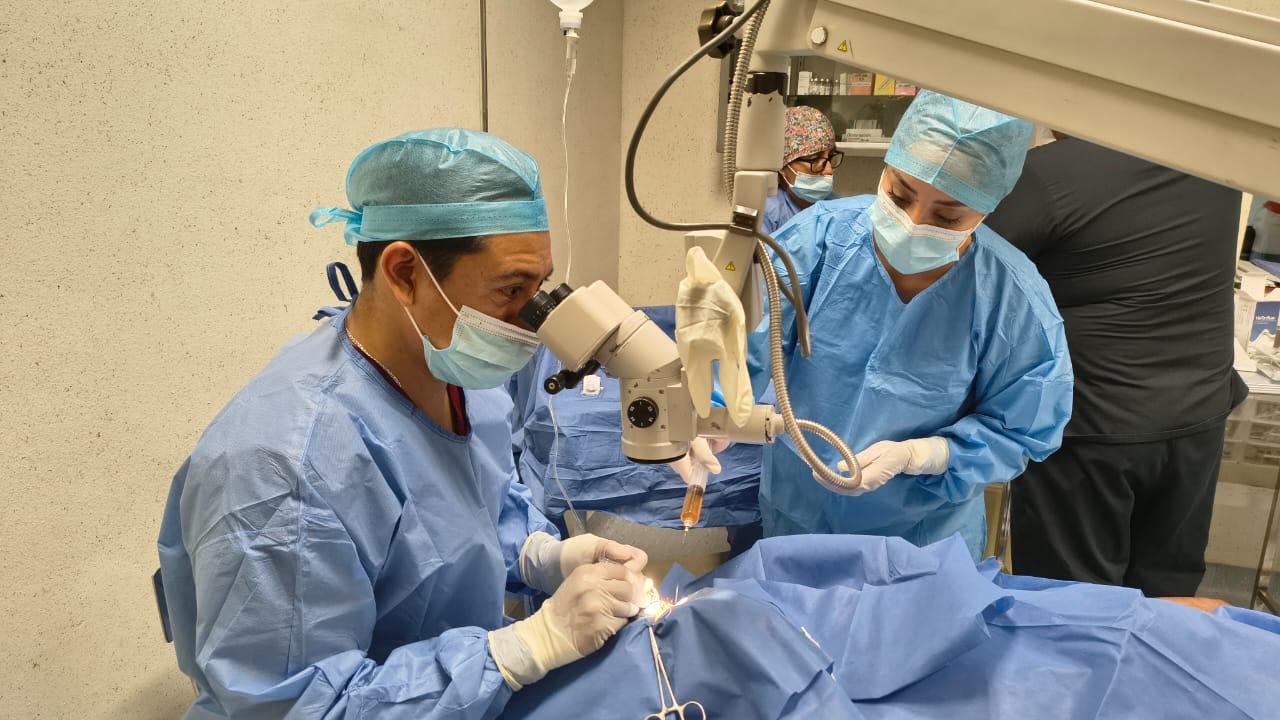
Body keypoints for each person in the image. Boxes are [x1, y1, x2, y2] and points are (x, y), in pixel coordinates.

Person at [157, 129, 649, 719]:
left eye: (538, 287)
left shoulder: (457, 371)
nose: (530, 319)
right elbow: (294, 707)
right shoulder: (287, 469)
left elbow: (464, 516)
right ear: (405, 272)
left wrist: (540, 555)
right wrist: (522, 649)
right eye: (511, 289)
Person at [747, 91, 1073, 560]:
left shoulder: (1012, 300)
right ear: (887, 167)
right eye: (900, 194)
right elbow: (743, 354)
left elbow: (1022, 428)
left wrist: (925, 455)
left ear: (987, 208)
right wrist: (707, 412)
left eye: (947, 215)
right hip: (799, 511)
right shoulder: (818, 240)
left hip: (923, 540)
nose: (913, 223)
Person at [986, 134, 1246, 597]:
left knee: (1074, 601)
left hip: (1092, 430)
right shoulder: (1213, 162)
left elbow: (963, 262)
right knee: (1168, 594)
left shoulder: (1049, 175)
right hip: (1196, 419)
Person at [762, 106, 842, 235]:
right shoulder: (766, 213)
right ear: (782, 165)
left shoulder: (839, 208)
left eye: (830, 157)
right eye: (814, 159)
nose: (829, 170)